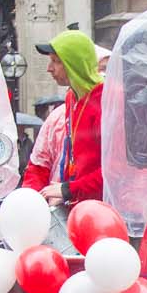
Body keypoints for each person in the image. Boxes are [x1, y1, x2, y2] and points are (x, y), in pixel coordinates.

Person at [25, 30, 104, 206]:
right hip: (80, 204)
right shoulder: (72, 97)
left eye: (56, 61)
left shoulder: (104, 101)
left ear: (74, 63)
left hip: (102, 208)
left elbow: (114, 171)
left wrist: (69, 189)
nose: (49, 68)